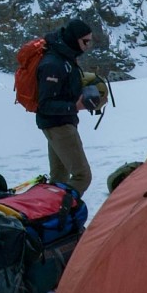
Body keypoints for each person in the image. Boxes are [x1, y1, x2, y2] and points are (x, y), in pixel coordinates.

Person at [35, 18, 108, 198]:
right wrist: (75, 106)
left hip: (59, 123)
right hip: (58, 125)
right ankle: (62, 214)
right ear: (74, 39)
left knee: (59, 177)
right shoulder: (53, 63)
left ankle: (51, 220)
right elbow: (44, 105)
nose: (88, 45)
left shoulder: (64, 56)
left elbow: (61, 90)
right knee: (82, 176)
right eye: (85, 41)